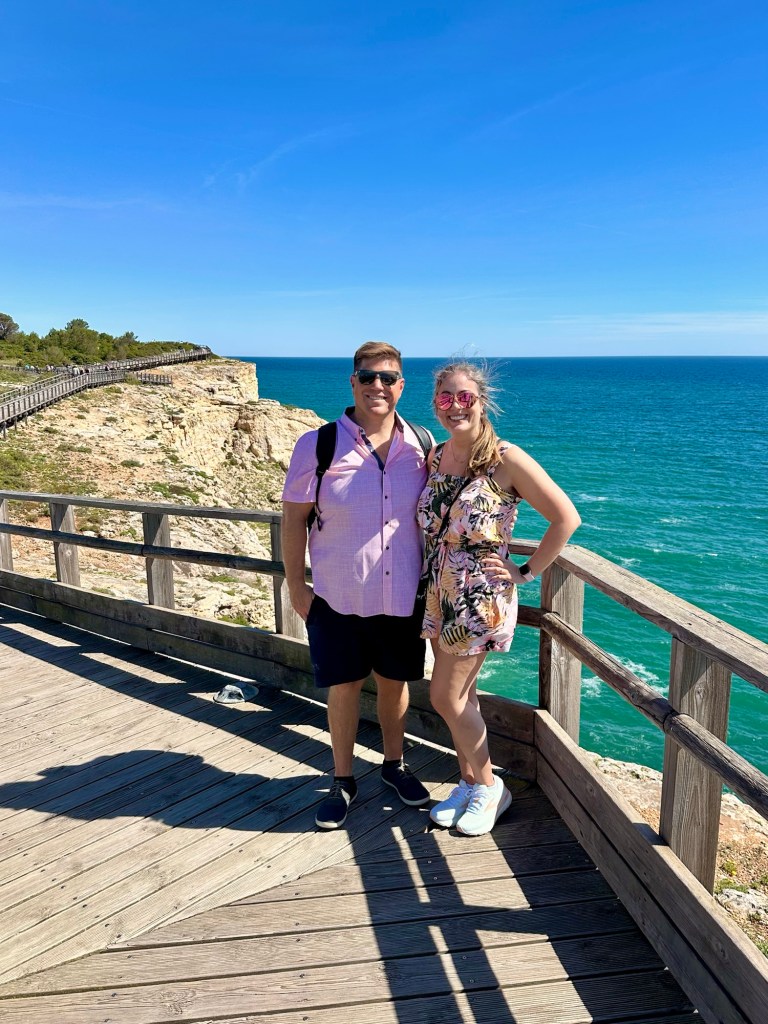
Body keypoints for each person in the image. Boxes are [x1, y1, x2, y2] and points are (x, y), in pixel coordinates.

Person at [418, 360, 581, 836]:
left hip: (479, 596)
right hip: (440, 590)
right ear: (435, 404)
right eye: (445, 398)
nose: (454, 406)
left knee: (444, 696)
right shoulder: (437, 456)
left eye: (464, 397)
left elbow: (566, 518)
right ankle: (469, 782)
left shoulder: (506, 459)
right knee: (462, 697)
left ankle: (491, 787)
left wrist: (525, 572)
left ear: (481, 401)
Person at [282, 341, 432, 830]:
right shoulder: (318, 444)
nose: (377, 386)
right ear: (353, 382)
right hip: (338, 594)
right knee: (343, 688)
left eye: (387, 378)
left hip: (403, 594)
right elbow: (293, 520)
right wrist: (296, 586)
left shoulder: (422, 443)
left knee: (395, 684)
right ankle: (342, 779)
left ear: (401, 385)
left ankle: (394, 765)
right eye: (368, 377)